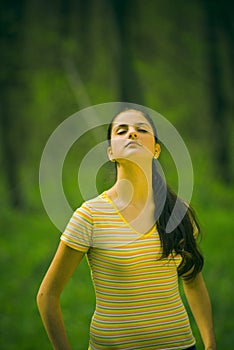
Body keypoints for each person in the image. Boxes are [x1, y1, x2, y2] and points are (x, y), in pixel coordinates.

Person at [37, 108, 216, 350]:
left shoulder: (177, 211)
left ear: (155, 150)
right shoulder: (90, 215)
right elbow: (47, 296)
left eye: (141, 130)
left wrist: (210, 343)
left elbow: (193, 281)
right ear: (111, 153)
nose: (132, 134)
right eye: (122, 131)